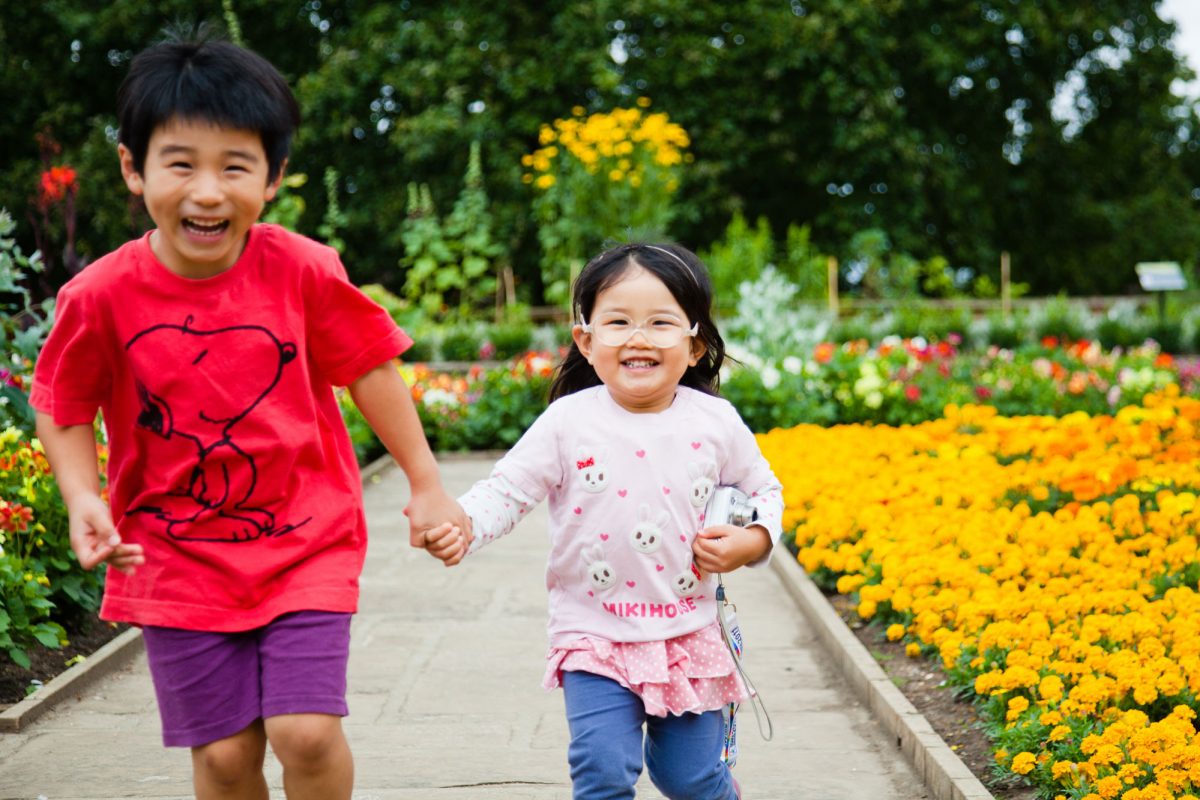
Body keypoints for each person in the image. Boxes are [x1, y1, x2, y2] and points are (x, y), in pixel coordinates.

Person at [31, 33, 465, 800]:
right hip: (172, 553)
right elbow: (63, 408)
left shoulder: (302, 269)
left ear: (273, 178)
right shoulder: (100, 296)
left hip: (307, 540)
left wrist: (426, 483)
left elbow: (369, 368)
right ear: (134, 169)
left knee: (307, 731)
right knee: (226, 759)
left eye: (236, 166)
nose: (207, 191)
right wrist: (81, 497)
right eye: (181, 163)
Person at [424, 242, 784, 800]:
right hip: (594, 636)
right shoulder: (568, 422)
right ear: (586, 341)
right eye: (617, 321)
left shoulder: (715, 421)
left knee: (688, 778)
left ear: (695, 344)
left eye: (660, 322)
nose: (638, 337)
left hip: (688, 633)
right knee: (602, 772)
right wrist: (465, 523)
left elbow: (764, 490)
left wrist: (752, 540)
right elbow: (508, 489)